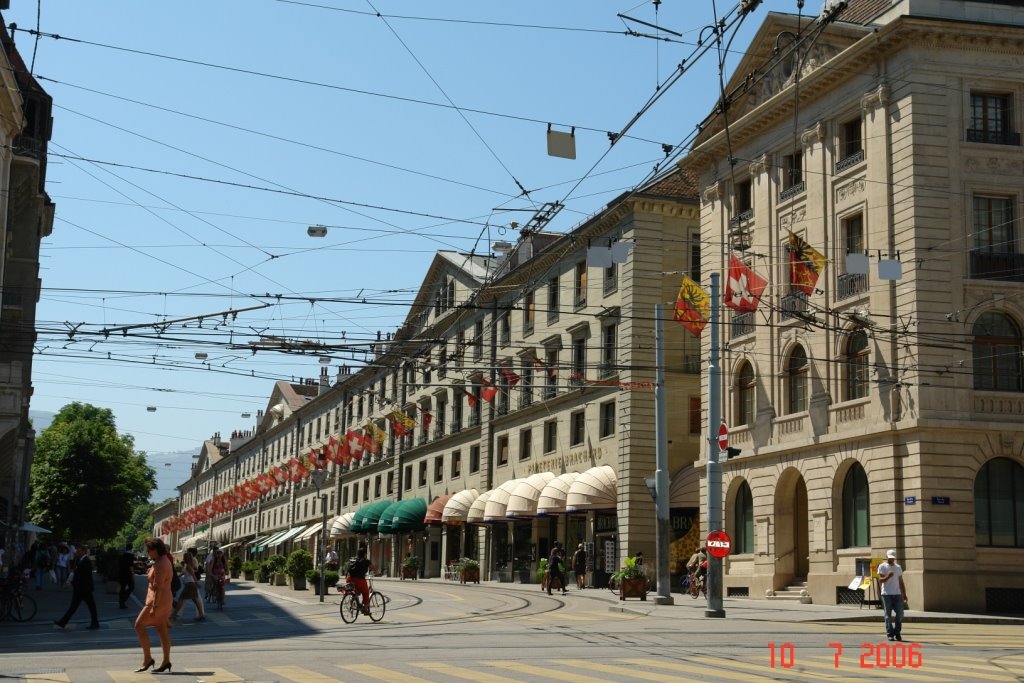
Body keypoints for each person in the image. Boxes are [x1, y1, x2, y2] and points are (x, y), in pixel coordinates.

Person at [133, 537, 173, 673]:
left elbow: (159, 588)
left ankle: (148, 659)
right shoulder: (163, 561)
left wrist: (154, 608)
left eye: (149, 550)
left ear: (156, 550)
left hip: (157, 601)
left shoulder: (160, 564)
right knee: (162, 630)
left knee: (139, 625)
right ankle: (166, 661)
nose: (148, 553)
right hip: (164, 600)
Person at [54, 544, 99, 630]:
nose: (76, 553)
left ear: (83, 551)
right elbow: (76, 573)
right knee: (75, 606)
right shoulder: (80, 560)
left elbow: (82, 576)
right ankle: (63, 622)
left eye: (78, 551)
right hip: (80, 589)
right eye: (76, 551)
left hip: (85, 589)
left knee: (90, 606)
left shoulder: (86, 561)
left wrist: (71, 583)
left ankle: (95, 623)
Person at [877, 549, 908, 642]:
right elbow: (880, 580)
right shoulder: (882, 566)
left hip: (897, 594)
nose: (891, 560)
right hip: (886, 594)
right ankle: (890, 634)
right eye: (890, 558)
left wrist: (904, 594)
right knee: (888, 615)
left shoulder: (898, 567)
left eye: (893, 558)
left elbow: (901, 581)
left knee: (900, 614)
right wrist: (888, 576)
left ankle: (897, 632)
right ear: (886, 557)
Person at [172, 548, 205, 622]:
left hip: (190, 584)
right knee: (195, 600)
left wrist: (197, 583)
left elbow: (193, 576)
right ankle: (201, 615)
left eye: (184, 557)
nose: (183, 558)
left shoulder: (188, 566)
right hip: (190, 584)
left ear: (186, 558)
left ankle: (174, 614)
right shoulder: (188, 566)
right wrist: (178, 576)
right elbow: (186, 573)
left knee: (181, 599)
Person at [345, 546, 375, 615]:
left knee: (355, 591)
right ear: (364, 554)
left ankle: (353, 601)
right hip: (359, 580)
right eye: (366, 554)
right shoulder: (366, 561)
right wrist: (378, 573)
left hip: (349, 578)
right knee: (366, 592)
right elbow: (373, 568)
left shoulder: (353, 560)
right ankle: (365, 609)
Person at [118, 544, 135, 609]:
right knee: (131, 587)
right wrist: (133, 574)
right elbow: (131, 566)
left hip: (121, 573)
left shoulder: (121, 556)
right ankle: (123, 599)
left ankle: (121, 601)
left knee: (122, 587)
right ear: (131, 548)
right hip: (128, 574)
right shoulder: (130, 556)